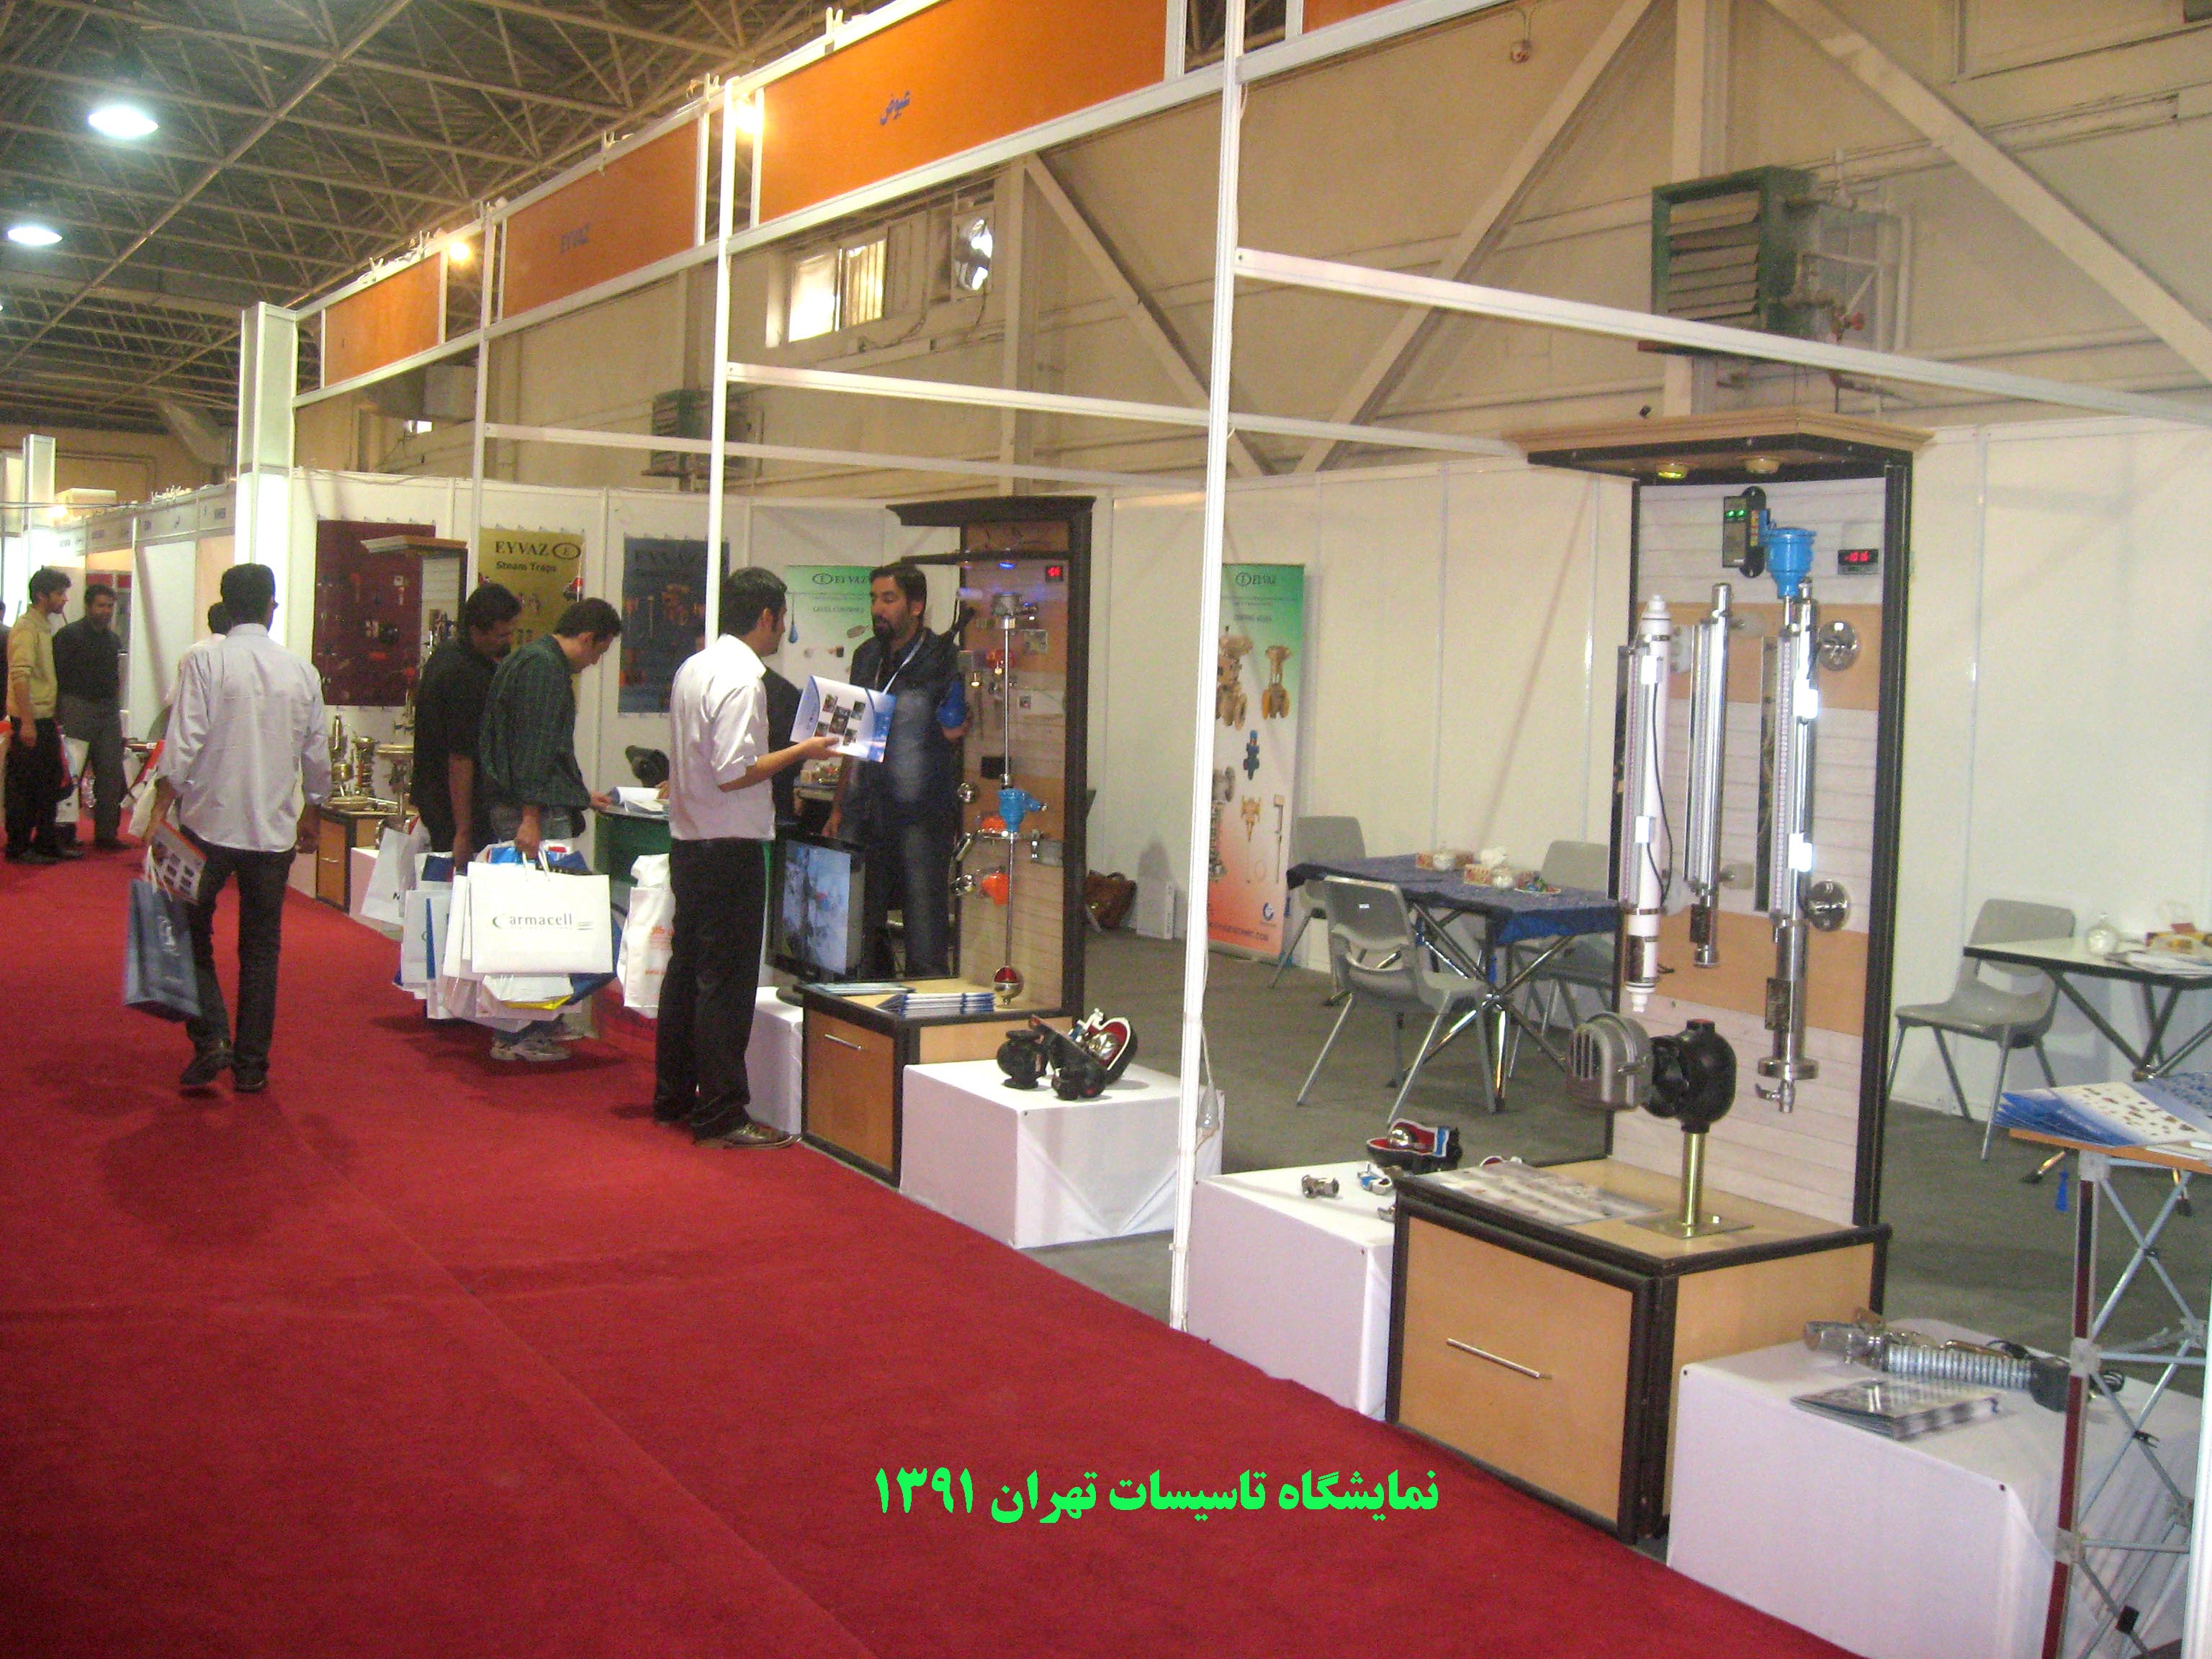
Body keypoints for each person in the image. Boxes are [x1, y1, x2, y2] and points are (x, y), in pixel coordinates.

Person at [655, 569, 839, 1147]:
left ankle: (674, 1095)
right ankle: (722, 1113)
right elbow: (734, 772)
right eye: (781, 618)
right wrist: (803, 751)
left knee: (687, 972)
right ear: (766, 617)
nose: (783, 629)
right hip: (729, 846)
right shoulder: (743, 682)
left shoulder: (695, 668)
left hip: (690, 841)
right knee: (725, 982)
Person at [149, 563, 330, 1094]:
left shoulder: (206, 661)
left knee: (190, 934)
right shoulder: (301, 671)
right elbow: (316, 751)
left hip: (206, 824)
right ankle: (252, 1065)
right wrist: (313, 808)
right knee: (261, 949)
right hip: (272, 831)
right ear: (272, 606)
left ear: (226, 608)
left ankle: (211, 1037)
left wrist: (160, 808)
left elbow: (185, 740)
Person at [474, 596, 621, 1064]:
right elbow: (533, 751)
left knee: (530, 920)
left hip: (524, 804)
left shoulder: (530, 659)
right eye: (599, 652)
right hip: (528, 812)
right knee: (541, 924)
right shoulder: (544, 669)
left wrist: (578, 794)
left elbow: (537, 749)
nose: (595, 662)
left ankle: (533, 1022)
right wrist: (532, 816)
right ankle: (520, 1031)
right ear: (588, 638)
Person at [827, 562, 968, 976]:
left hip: (920, 814)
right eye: (874, 599)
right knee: (855, 930)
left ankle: (927, 1003)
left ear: (916, 606)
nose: (878, 609)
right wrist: (838, 806)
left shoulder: (944, 658)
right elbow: (851, 736)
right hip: (864, 809)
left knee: (924, 931)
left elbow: (957, 732)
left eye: (889, 599)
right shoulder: (866, 656)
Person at [413, 582, 519, 866]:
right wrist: (463, 830)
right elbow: (460, 757)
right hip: (455, 806)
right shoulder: (465, 676)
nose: (508, 641)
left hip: (435, 797)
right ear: (476, 630)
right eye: (501, 635)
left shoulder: (447, 654)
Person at [6, 567, 76, 866]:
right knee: (25, 787)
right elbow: (20, 676)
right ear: (42, 596)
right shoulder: (26, 628)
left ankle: (46, 841)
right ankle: (19, 846)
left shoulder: (43, 627)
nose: (64, 599)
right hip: (30, 719)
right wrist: (27, 723)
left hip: (44, 718)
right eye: (60, 593)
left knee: (49, 783)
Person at [53, 582, 127, 850]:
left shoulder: (113, 640)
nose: (106, 611)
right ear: (88, 606)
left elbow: (116, 678)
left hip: (107, 711)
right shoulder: (68, 636)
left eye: (110, 606)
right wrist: (58, 713)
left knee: (110, 774)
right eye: (101, 605)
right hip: (76, 707)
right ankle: (64, 833)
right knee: (71, 776)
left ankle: (107, 833)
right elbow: (57, 677)